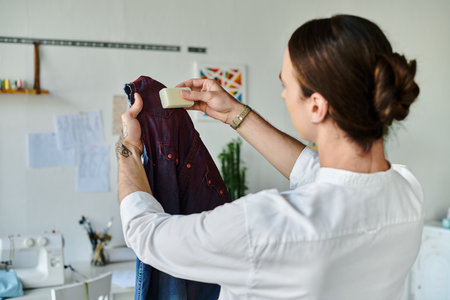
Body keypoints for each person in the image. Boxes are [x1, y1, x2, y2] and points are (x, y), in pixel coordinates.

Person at [117, 14, 423, 300]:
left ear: (316, 106)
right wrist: (234, 114)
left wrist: (129, 147)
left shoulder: (267, 226)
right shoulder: (406, 191)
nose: (283, 95)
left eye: (285, 85)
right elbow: (315, 172)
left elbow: (145, 233)